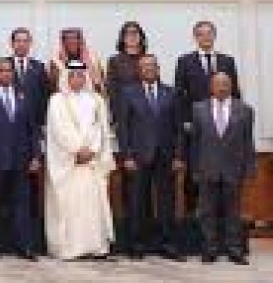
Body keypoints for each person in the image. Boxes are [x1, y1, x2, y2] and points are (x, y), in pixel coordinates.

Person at [116, 54, 185, 261]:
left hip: (166, 156)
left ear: (158, 68)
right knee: (137, 203)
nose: (148, 69)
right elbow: (123, 127)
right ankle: (137, 245)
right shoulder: (128, 93)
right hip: (137, 157)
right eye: (144, 66)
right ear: (139, 70)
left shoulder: (171, 93)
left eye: (152, 66)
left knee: (167, 203)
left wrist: (178, 155)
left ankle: (167, 244)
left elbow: (179, 128)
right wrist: (127, 155)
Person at [45, 60, 115, 260]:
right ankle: (71, 249)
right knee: (71, 208)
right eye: (73, 75)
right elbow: (59, 129)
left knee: (92, 208)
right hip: (69, 163)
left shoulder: (96, 100)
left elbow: (101, 127)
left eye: (81, 75)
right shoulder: (57, 100)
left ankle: (96, 247)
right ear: (66, 78)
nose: (77, 79)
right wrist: (77, 150)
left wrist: (92, 150)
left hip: (91, 163)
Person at [0, 58, 41, 261]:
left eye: (9, 71)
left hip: (21, 161)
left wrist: (36, 156)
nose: (6, 74)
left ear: (13, 74)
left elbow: (33, 130)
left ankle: (25, 246)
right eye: (2, 71)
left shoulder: (24, 96)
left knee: (22, 205)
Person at [175, 20, 241, 214]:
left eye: (209, 33)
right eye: (201, 34)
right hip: (196, 129)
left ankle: (222, 219)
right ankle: (194, 220)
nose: (205, 37)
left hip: (223, 130)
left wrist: (235, 121)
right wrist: (185, 121)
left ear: (214, 36)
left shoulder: (228, 61)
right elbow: (180, 95)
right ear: (195, 37)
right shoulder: (184, 61)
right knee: (195, 176)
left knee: (223, 175)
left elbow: (235, 93)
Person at [189, 72, 254, 265]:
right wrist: (195, 169)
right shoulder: (198, 109)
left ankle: (235, 250)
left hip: (234, 169)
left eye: (225, 84)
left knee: (233, 212)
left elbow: (247, 142)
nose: (222, 88)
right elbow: (195, 143)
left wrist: (249, 168)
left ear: (231, 86)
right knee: (207, 212)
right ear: (211, 87)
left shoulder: (245, 110)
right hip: (207, 168)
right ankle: (210, 249)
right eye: (218, 84)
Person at [106, 21, 148, 118]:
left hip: (146, 111)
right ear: (123, 38)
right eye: (128, 33)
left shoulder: (148, 59)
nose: (132, 36)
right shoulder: (115, 61)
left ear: (141, 37)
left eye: (135, 33)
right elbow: (112, 90)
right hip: (124, 110)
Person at [8, 27, 49, 128]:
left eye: (25, 41)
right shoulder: (3, 65)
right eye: (18, 41)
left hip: (34, 123)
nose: (21, 44)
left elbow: (44, 96)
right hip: (9, 121)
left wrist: (43, 122)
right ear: (12, 44)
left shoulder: (39, 67)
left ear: (30, 44)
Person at [49, 27, 104, 93]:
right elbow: (53, 85)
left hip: (89, 95)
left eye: (75, 38)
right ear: (63, 42)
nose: (72, 41)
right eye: (68, 39)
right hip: (64, 96)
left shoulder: (92, 58)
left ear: (80, 40)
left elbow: (99, 83)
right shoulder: (56, 61)